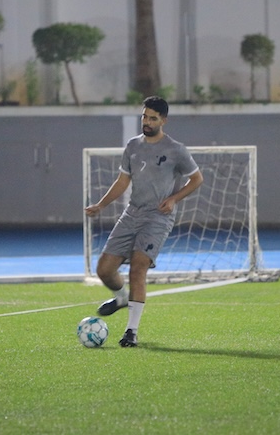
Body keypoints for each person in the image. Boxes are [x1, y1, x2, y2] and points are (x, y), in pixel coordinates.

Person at [85, 96, 203, 347]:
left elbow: (197, 179)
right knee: (104, 270)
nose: (147, 122)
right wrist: (101, 205)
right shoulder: (133, 146)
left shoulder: (176, 149)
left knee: (138, 267)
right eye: (144, 117)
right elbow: (122, 181)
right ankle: (121, 298)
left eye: (153, 118)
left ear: (163, 121)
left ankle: (131, 331)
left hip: (158, 217)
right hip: (132, 214)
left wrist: (173, 199)